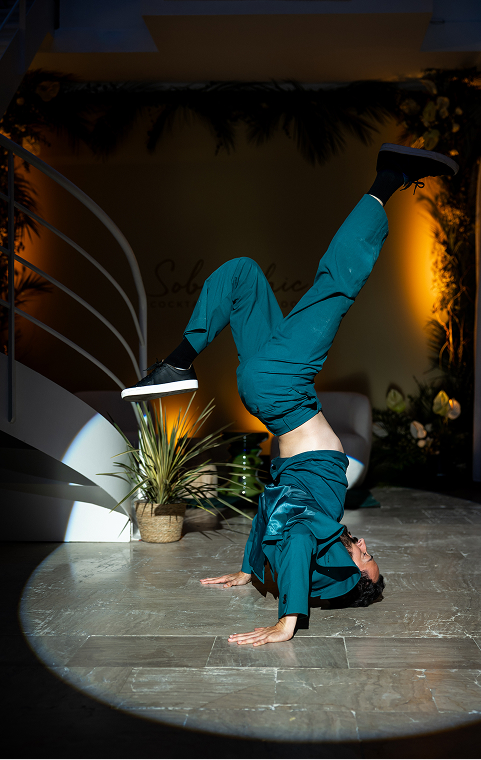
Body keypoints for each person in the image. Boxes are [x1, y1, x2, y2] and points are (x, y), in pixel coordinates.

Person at [122, 143, 459, 646]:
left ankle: (387, 180)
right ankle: (175, 363)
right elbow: (267, 511)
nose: (363, 544)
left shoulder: (317, 529)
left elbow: (297, 541)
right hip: (273, 390)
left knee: (335, 288)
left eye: (364, 556)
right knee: (244, 276)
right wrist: (252, 571)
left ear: (345, 573)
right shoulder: (309, 514)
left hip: (283, 386)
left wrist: (288, 620)